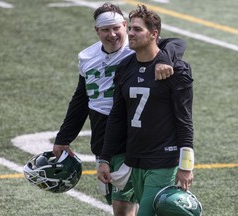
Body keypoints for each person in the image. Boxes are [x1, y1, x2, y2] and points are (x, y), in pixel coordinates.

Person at [52, 2, 186, 216]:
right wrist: (63, 137)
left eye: (117, 28)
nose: (112, 34)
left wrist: (164, 59)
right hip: (103, 136)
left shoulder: (134, 49)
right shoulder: (86, 57)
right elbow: (81, 98)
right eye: (105, 29)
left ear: (124, 25)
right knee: (117, 203)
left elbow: (176, 43)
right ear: (97, 31)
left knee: (123, 207)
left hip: (130, 135)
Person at [97, 4, 194, 216]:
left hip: (163, 162)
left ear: (154, 34)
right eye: (130, 28)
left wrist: (186, 165)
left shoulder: (176, 71)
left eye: (137, 29)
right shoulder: (125, 67)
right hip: (134, 160)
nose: (130, 33)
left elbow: (184, 120)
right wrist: (105, 158)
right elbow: (117, 117)